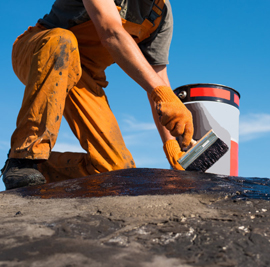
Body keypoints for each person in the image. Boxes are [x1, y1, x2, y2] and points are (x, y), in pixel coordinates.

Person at [1, 0, 193, 190]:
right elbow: (111, 31)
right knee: (62, 41)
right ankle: (24, 158)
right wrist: (161, 93)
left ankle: (41, 168)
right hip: (41, 51)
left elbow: (159, 80)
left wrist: (171, 144)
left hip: (84, 78)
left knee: (116, 171)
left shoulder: (160, 13)